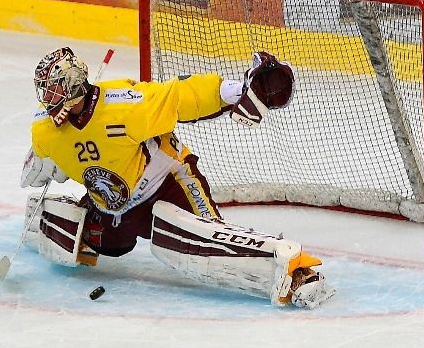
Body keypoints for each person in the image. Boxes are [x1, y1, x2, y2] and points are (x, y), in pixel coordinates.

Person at [20, 46, 335, 309]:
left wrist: (237, 91)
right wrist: (45, 160)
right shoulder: (45, 131)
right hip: (115, 209)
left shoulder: (126, 106)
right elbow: (53, 158)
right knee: (77, 231)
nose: (48, 97)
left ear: (75, 84)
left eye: (55, 88)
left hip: (167, 185)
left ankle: (297, 271)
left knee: (200, 245)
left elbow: (181, 95)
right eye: (45, 90)